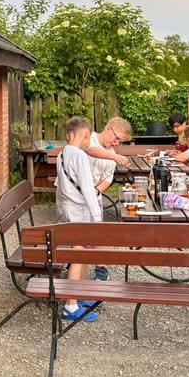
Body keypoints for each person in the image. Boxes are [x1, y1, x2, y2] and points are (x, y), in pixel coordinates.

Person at [55, 116, 101, 323]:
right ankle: (71, 305)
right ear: (85, 135)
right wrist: (97, 218)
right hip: (80, 211)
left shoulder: (62, 154)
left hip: (68, 210)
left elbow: (60, 187)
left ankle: (77, 295)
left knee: (80, 253)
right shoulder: (80, 156)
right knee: (79, 254)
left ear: (68, 134)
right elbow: (88, 189)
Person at [85, 117, 132, 280]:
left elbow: (107, 179)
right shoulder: (88, 137)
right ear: (109, 128)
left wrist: (96, 191)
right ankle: (70, 264)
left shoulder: (112, 154)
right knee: (76, 233)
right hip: (73, 194)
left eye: (120, 141)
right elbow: (89, 150)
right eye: (117, 138)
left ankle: (101, 270)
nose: (116, 143)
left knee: (98, 232)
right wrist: (114, 157)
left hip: (93, 195)